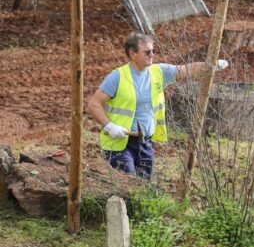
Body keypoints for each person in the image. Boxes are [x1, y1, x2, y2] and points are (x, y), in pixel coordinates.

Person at [87, 33, 228, 179]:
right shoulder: (117, 77)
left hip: (146, 143)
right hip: (120, 145)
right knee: (127, 185)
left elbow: (187, 70)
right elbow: (94, 104)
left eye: (153, 51)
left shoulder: (158, 72)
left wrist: (212, 66)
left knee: (143, 188)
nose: (152, 55)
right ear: (133, 53)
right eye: (147, 52)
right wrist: (109, 126)